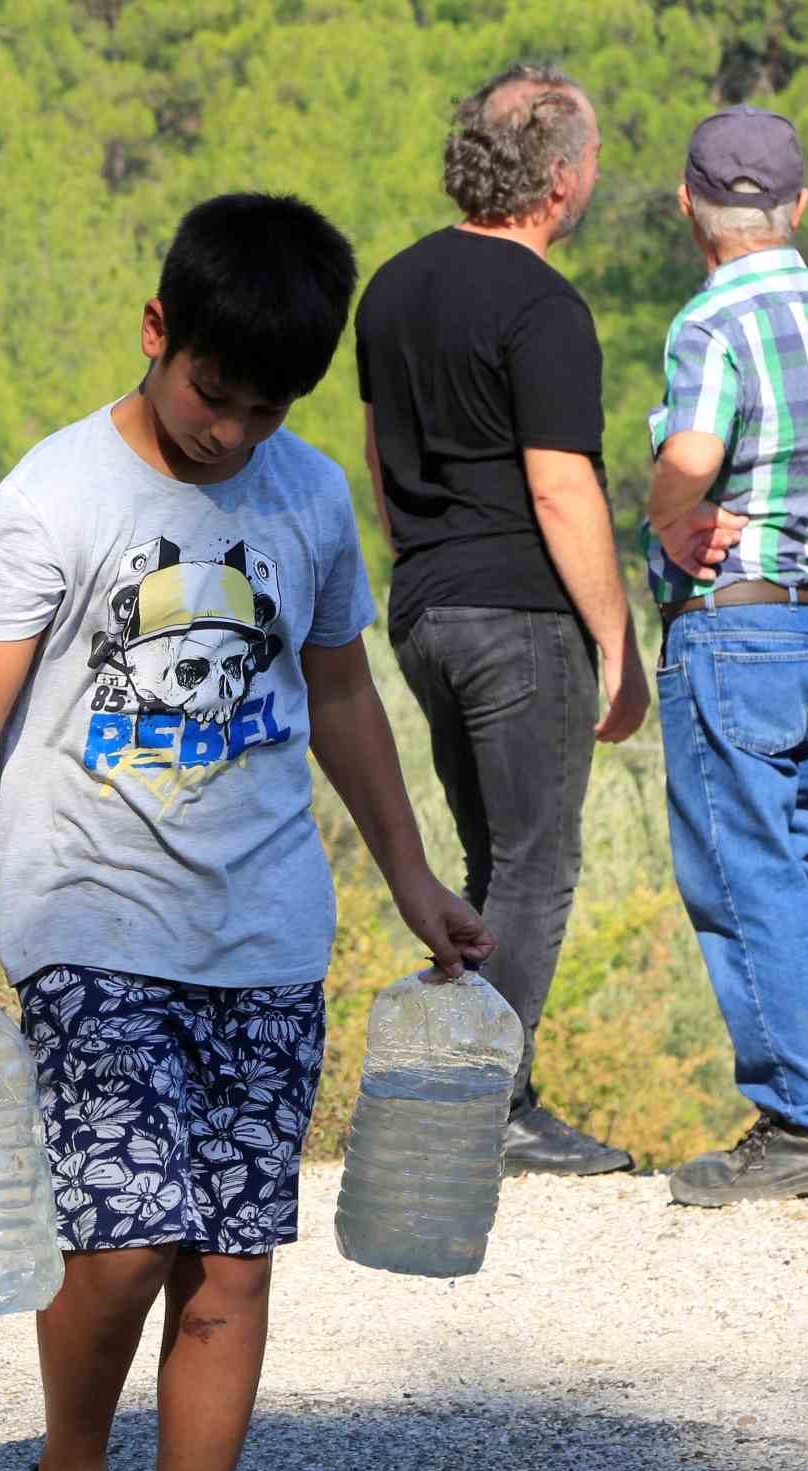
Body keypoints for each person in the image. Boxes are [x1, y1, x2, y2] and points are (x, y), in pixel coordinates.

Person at [0, 192, 493, 1471]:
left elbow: (339, 688)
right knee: (124, 1234)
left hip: (266, 931)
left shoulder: (306, 497)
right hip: (91, 915)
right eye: (212, 395)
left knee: (229, 1266)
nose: (231, 433)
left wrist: (411, 876)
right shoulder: (57, 495)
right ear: (157, 331)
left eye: (265, 410)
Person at [354, 63, 650, 1176]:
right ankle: (491, 1107)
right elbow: (562, 486)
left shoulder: (390, 287)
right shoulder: (542, 305)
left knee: (488, 856)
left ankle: (455, 1084)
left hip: (425, 605)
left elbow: (382, 466)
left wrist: (419, 566)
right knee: (538, 862)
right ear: (563, 177)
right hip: (519, 612)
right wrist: (617, 646)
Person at [645, 105, 808, 1207]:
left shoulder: (715, 319)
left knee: (748, 868)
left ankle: (795, 1118)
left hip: (743, 621)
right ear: (801, 206)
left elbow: (697, 447)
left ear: (687, 210)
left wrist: (667, 515)